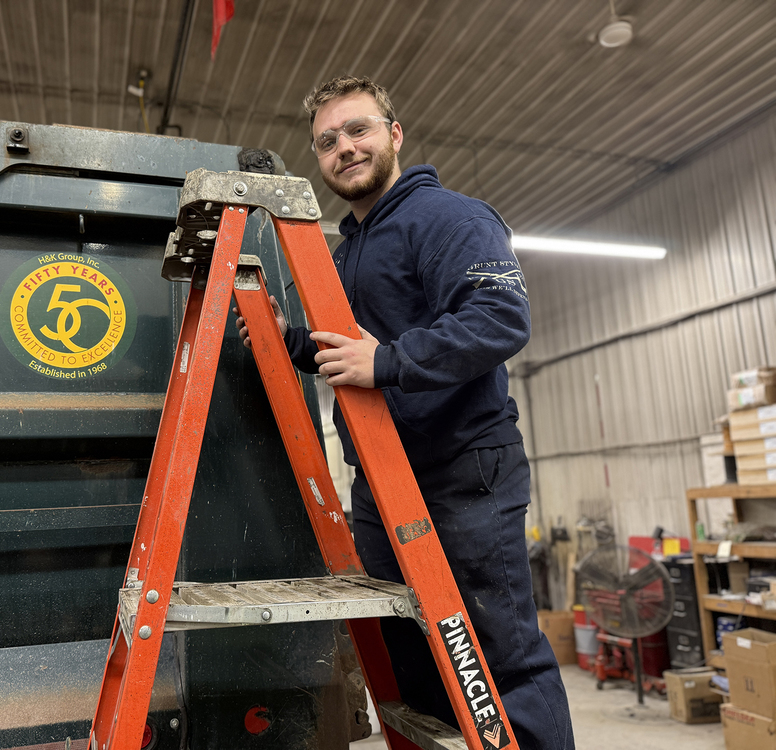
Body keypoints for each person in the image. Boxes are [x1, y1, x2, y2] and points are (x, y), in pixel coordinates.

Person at [234, 76, 574, 749]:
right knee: (413, 655)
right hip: (383, 483)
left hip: (463, 471)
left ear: (394, 134)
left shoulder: (448, 217)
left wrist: (385, 361)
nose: (344, 149)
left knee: (497, 657)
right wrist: (289, 337)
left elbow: (499, 318)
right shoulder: (349, 248)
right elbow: (354, 351)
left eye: (358, 130)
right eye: (327, 142)